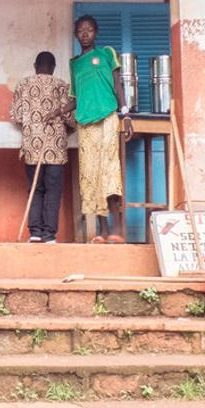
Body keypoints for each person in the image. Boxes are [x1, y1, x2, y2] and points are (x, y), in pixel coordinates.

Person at [70, 15, 133, 244]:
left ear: (96, 33)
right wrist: (55, 114)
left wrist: (125, 114)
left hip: (107, 116)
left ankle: (117, 228)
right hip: (85, 124)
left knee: (109, 171)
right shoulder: (74, 63)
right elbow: (75, 98)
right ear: (75, 34)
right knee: (91, 176)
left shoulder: (107, 53)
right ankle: (102, 231)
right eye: (80, 30)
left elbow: (118, 85)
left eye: (89, 30)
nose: (85, 34)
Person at [10, 51, 76, 243]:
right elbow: (71, 120)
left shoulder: (23, 84)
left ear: (35, 65)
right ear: (54, 67)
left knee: (35, 189)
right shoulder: (62, 86)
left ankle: (35, 233)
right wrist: (62, 131)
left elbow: (16, 116)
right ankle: (49, 235)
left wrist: (32, 128)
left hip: (33, 146)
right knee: (53, 190)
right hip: (55, 147)